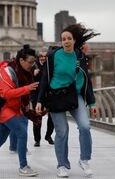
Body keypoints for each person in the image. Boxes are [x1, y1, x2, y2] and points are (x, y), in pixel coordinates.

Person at [36, 24, 98, 178]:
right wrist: (39, 101)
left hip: (74, 95)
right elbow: (45, 79)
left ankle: (84, 160)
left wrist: (91, 102)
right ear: (61, 41)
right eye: (63, 39)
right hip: (56, 96)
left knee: (85, 126)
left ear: (74, 40)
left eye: (69, 38)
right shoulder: (53, 56)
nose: (66, 41)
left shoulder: (80, 56)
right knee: (62, 132)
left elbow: (86, 79)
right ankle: (62, 165)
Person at [0, 45, 39, 177]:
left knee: (0, 139)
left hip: (14, 108)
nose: (32, 65)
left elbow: (25, 92)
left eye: (34, 62)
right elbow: (6, 94)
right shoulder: (8, 72)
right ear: (21, 61)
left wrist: (26, 105)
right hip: (5, 108)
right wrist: (27, 89)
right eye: (30, 62)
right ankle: (23, 166)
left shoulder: (25, 73)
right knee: (22, 133)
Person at [31, 47, 54, 147]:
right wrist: (33, 74)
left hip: (49, 95)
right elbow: (26, 80)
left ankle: (48, 136)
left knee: (52, 117)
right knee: (37, 117)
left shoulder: (51, 65)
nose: (43, 58)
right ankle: (37, 140)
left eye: (45, 56)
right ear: (38, 56)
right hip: (36, 95)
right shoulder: (33, 65)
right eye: (41, 56)